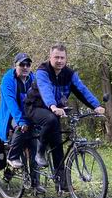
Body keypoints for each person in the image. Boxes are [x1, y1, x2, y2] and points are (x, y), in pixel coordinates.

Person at [24, 43, 105, 187]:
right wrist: (53, 105)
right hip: (35, 107)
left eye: (62, 57)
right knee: (50, 119)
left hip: (54, 110)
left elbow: (81, 89)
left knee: (57, 143)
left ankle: (62, 182)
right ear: (50, 57)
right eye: (56, 57)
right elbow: (45, 89)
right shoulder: (43, 71)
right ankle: (40, 152)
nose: (59, 60)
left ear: (66, 59)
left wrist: (96, 105)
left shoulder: (69, 74)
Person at [0, 52, 35, 169]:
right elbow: (11, 103)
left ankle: (35, 182)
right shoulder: (8, 80)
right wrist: (21, 121)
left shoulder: (33, 79)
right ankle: (12, 156)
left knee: (35, 141)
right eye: (22, 64)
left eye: (28, 64)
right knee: (21, 128)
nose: (25, 67)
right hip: (11, 116)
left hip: (28, 114)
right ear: (15, 66)